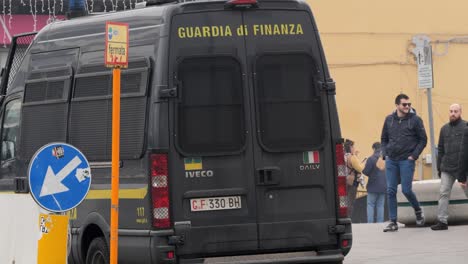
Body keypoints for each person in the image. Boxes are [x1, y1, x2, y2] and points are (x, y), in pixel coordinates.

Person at [381, 93, 428, 232]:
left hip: (406, 160)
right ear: (397, 105)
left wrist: (414, 156)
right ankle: (393, 221)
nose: (407, 106)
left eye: (409, 104)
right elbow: (384, 138)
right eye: (404, 104)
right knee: (390, 191)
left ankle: (418, 211)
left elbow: (423, 139)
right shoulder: (389, 119)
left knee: (406, 190)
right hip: (391, 160)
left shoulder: (415, 120)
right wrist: (385, 154)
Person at [431, 104, 467, 230]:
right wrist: (439, 168)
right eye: (451, 111)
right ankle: (442, 221)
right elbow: (440, 149)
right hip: (447, 168)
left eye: (455, 111)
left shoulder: (465, 127)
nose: (453, 113)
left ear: (460, 112)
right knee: (443, 193)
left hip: (463, 168)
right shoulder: (444, 129)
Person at [363, 142, 387, 223]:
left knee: (370, 205)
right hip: (384, 185)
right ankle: (380, 223)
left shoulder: (371, 158)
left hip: (373, 186)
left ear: (374, 148)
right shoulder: (385, 158)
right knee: (380, 205)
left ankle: (370, 223)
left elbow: (366, 171)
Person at [344, 139, 365, 218]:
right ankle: (348, 217)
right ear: (350, 147)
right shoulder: (352, 157)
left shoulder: (344, 155)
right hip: (352, 181)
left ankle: (344, 215)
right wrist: (364, 163)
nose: (354, 148)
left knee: (345, 200)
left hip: (345, 180)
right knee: (350, 200)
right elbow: (359, 168)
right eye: (353, 147)